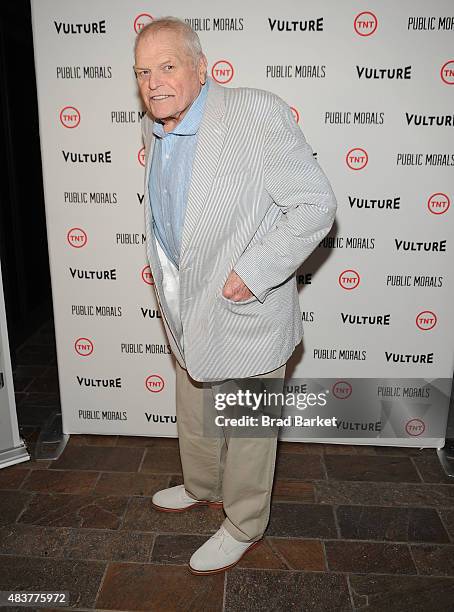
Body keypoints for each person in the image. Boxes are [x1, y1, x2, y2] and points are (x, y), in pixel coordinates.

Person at [134, 16, 337, 575]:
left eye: (167, 66)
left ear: (201, 67)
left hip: (246, 306)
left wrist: (253, 271)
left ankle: (245, 521)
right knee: (195, 402)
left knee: (248, 425)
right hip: (184, 304)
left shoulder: (255, 112)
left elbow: (314, 203)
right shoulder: (155, 126)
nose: (154, 82)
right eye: (143, 72)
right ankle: (202, 485)